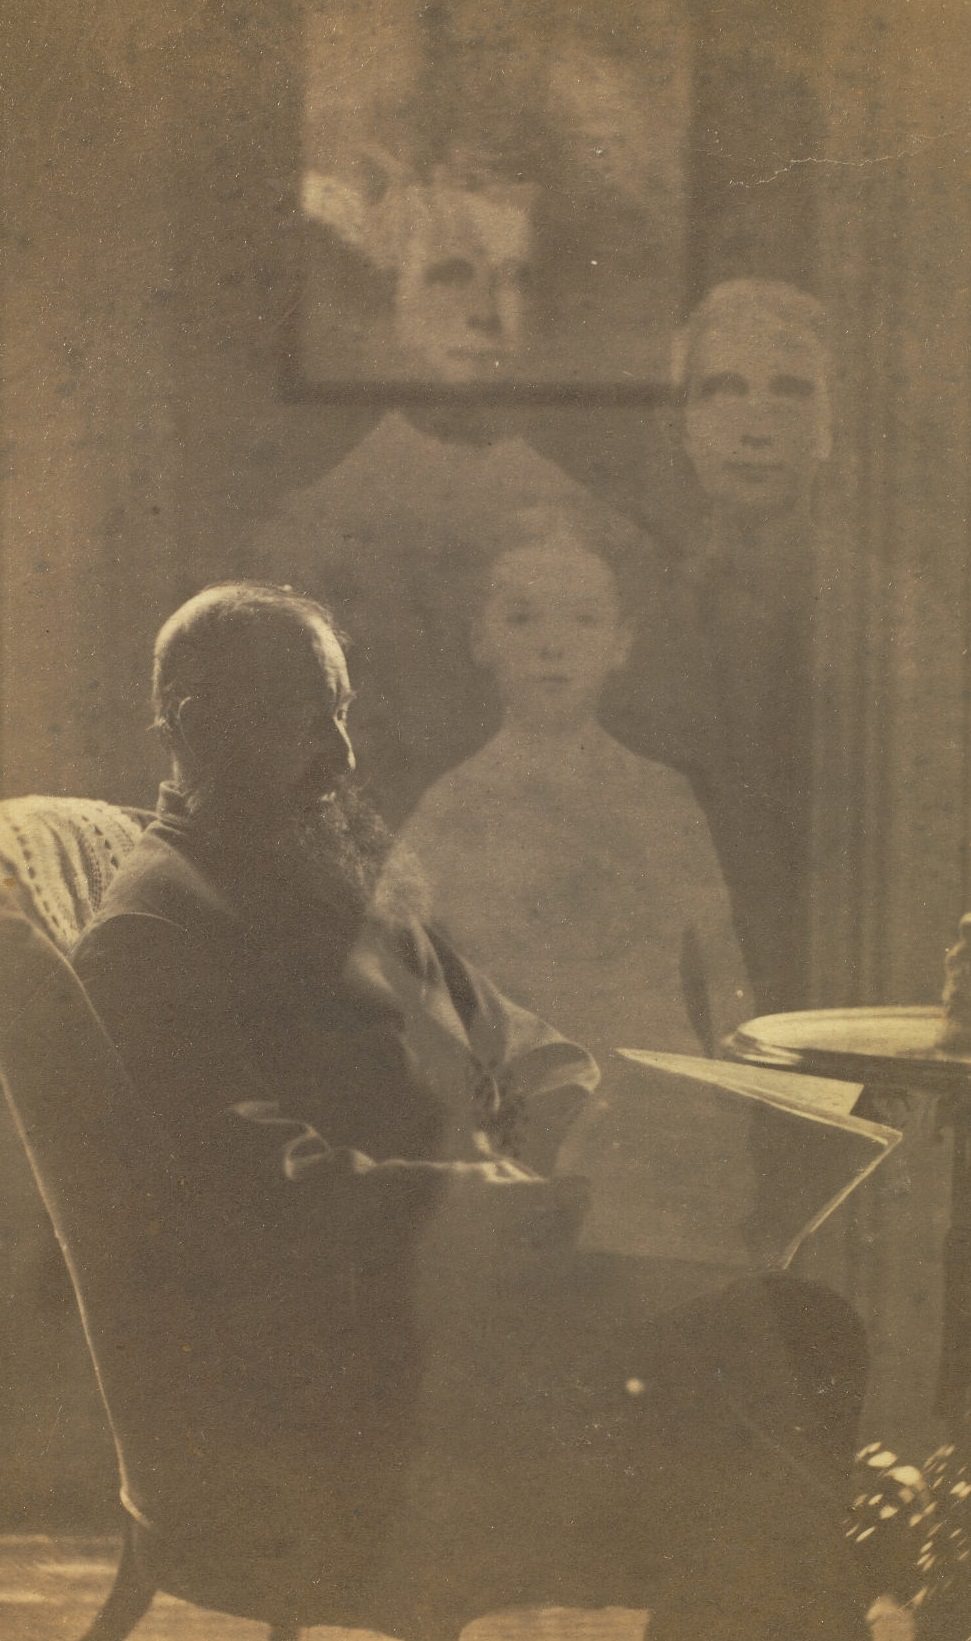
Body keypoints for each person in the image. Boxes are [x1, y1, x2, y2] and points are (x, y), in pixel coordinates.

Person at [72, 581, 876, 1641]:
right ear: (186, 724)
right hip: (358, 1381)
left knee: (797, 1334)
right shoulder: (156, 929)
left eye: (341, 713)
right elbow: (274, 1198)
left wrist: (573, 1118)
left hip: (484, 1296)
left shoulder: (322, 869)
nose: (343, 756)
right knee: (762, 1394)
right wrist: (511, 1201)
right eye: (299, 718)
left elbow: (514, 1035)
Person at [390, 511, 752, 1062]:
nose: (553, 645)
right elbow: (386, 987)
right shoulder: (449, 809)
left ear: (621, 643)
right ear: (480, 640)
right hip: (519, 1109)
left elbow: (726, 984)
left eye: (584, 619)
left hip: (663, 1105)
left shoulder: (663, 797)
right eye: (522, 619)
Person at [616, 279, 831, 1010]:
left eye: (790, 392)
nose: (755, 425)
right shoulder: (628, 612)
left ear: (828, 426)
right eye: (722, 391)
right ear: (682, 425)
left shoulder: (882, 615)